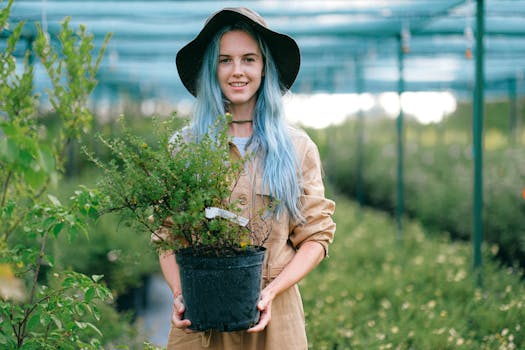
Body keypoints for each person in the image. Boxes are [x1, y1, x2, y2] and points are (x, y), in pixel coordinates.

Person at [159, 7, 336, 350]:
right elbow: (168, 236)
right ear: (212, 68)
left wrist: (271, 291)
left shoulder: (296, 148)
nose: (237, 71)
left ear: (264, 67)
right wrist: (181, 293)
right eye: (225, 60)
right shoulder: (185, 148)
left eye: (248, 59)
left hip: (275, 319)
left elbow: (316, 236)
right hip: (201, 319)